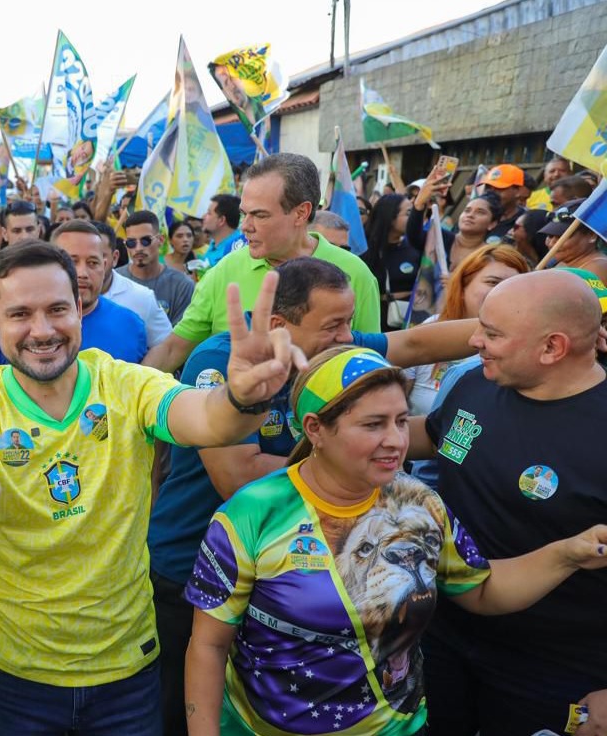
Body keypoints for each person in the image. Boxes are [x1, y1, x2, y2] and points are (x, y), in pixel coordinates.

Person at [0, 240, 307, 736]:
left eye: (57, 309)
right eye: (20, 314)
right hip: (16, 674)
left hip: (126, 668)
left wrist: (240, 398)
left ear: (80, 309)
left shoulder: (124, 383)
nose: (42, 330)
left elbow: (206, 421)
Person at [184, 346, 607, 736]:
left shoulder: (418, 501)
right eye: (373, 424)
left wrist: (569, 553)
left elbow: (480, 590)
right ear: (315, 429)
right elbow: (208, 644)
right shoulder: (253, 513)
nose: (397, 441)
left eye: (402, 421)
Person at [147, 256, 484, 733]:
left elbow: (414, 341)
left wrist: (507, 331)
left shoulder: (335, 349)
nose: (349, 336)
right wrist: (347, 463)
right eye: (334, 325)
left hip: (311, 567)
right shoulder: (218, 360)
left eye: (349, 321)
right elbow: (235, 476)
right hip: (194, 562)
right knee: (193, 701)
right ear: (281, 326)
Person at [411, 269, 607, 735]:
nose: (475, 340)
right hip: (443, 637)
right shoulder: (477, 383)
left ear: (551, 348)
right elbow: (430, 437)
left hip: (558, 669)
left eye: (493, 333)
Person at [146, 153, 381, 373]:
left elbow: (368, 365)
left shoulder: (355, 274)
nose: (245, 226)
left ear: (301, 213)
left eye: (260, 215)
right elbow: (173, 349)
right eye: (244, 214)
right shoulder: (225, 271)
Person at [0, 224, 148, 369]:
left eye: (92, 263)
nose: (81, 273)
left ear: (105, 265)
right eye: (72, 261)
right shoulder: (8, 326)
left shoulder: (132, 324)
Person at [405, 245, 528, 416]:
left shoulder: (525, 346)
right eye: (492, 282)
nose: (502, 292)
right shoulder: (432, 326)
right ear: (463, 286)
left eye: (512, 285)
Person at [117, 210, 194, 325]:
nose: (138, 248)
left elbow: (179, 336)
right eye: (131, 242)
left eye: (145, 241)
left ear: (161, 240)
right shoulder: (114, 280)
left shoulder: (182, 285)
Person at [362, 194, 421, 330]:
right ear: (390, 217)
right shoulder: (365, 249)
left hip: (412, 325)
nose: (414, 219)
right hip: (378, 326)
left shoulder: (416, 247)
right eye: (408, 213)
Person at [538, 197, 607, 282]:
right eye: (550, 236)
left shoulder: (599, 268)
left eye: (561, 237)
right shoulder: (557, 262)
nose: (552, 243)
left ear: (591, 235)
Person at [448, 193, 502, 267]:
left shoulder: (488, 258)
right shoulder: (440, 238)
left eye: (480, 212)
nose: (470, 215)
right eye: (467, 210)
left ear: (492, 224)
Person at [479, 164, 526, 242]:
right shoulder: (473, 216)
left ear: (518, 191)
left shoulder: (524, 222)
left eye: (499, 188)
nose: (492, 192)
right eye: (488, 187)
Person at [198, 194, 245, 266]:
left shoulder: (238, 248)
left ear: (221, 220)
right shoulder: (214, 243)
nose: (203, 217)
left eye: (209, 213)